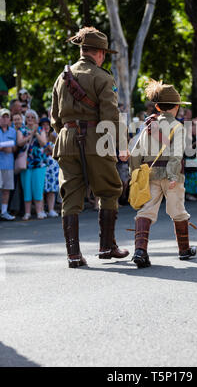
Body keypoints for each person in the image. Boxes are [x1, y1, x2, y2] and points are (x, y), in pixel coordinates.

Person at [51, 26, 129, 268]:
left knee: (71, 195)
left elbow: (55, 118)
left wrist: (68, 135)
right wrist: (120, 145)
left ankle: (73, 254)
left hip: (67, 140)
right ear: (100, 53)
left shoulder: (62, 77)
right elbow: (110, 117)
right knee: (108, 191)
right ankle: (107, 246)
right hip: (97, 140)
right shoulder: (103, 77)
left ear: (82, 50)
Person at [130, 79, 197, 268]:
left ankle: (140, 251)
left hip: (150, 174)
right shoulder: (177, 127)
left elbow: (136, 152)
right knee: (178, 211)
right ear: (176, 107)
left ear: (158, 106)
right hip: (171, 175)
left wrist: (135, 173)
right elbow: (176, 155)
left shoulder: (148, 126)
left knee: (146, 210)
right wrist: (174, 175)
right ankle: (184, 250)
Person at [17, 109, 47, 220]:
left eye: (32, 117)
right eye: (28, 117)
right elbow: (19, 142)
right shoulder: (21, 130)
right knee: (27, 188)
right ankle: (27, 212)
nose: (30, 119)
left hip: (39, 163)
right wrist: (29, 136)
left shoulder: (40, 129)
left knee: (38, 187)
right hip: (26, 163)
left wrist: (35, 133)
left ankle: (39, 211)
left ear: (36, 119)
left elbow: (43, 143)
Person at [40, 117, 59, 217]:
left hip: (53, 166)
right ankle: (42, 209)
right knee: (42, 188)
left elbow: (55, 150)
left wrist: (48, 148)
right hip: (41, 165)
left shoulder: (54, 136)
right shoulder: (39, 137)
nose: (45, 126)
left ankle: (51, 209)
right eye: (43, 125)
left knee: (51, 189)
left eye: (47, 124)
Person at [0, 108, 17, 220]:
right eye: (3, 117)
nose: (5, 119)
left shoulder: (13, 131)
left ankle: (4, 212)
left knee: (6, 189)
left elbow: (15, 147)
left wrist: (11, 149)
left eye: (7, 117)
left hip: (8, 164)